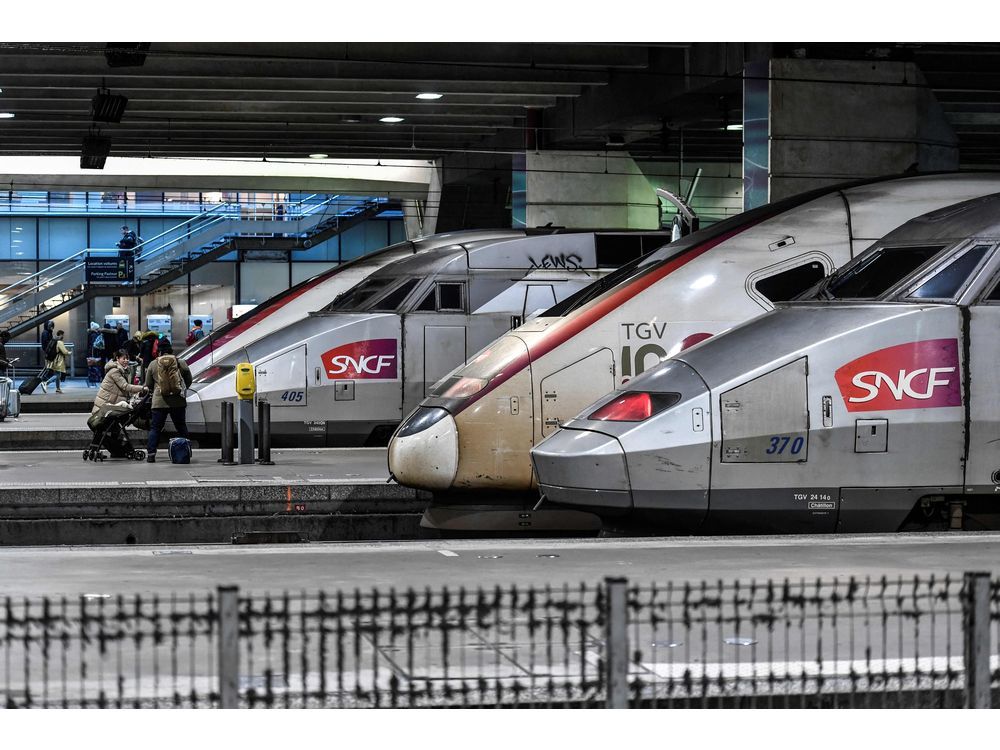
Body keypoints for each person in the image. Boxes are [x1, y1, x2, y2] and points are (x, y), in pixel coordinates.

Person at [143, 338, 192, 463]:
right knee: (181, 427)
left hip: (159, 402)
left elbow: (148, 384)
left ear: (159, 351)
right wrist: (180, 389)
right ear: (171, 350)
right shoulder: (180, 362)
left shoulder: (153, 364)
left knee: (155, 428)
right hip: (178, 401)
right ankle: (186, 452)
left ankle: (151, 455)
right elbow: (189, 380)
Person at [92, 349, 147, 418]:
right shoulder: (115, 371)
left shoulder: (123, 370)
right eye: (124, 358)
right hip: (104, 406)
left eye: (127, 358)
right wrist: (143, 388)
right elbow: (125, 386)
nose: (126, 360)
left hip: (110, 404)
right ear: (117, 358)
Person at [41, 329, 70, 394]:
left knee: (57, 374)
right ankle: (46, 383)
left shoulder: (54, 340)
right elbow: (65, 352)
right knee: (58, 375)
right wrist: (69, 352)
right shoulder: (59, 342)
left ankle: (58, 389)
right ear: (61, 335)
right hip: (58, 361)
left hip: (53, 360)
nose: (63, 336)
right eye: (63, 335)